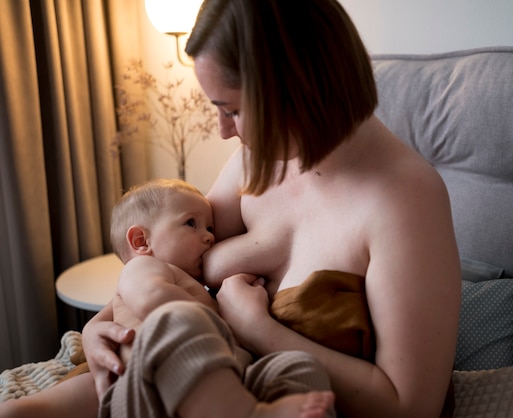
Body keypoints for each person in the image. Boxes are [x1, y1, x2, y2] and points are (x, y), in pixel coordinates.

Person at [86, 0, 461, 417]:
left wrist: (256, 330)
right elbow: (161, 261)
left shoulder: (404, 200)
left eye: (234, 110)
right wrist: (98, 326)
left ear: (296, 91)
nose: (224, 131)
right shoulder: (255, 160)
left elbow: (411, 407)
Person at [0, 178, 335, 418]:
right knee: (177, 319)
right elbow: (151, 300)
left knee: (298, 367)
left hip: (215, 385)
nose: (208, 237)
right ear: (141, 241)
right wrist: (223, 321)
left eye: (210, 228)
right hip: (148, 390)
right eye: (191, 224)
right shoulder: (144, 268)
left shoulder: (190, 286)